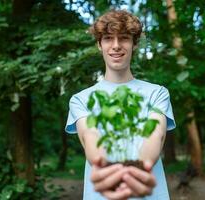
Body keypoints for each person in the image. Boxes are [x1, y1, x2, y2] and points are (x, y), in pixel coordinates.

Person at [65, 10, 176, 200]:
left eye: (123, 38)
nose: (116, 46)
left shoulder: (157, 94)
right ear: (99, 44)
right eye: (108, 38)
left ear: (134, 44)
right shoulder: (81, 99)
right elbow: (91, 140)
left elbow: (155, 138)